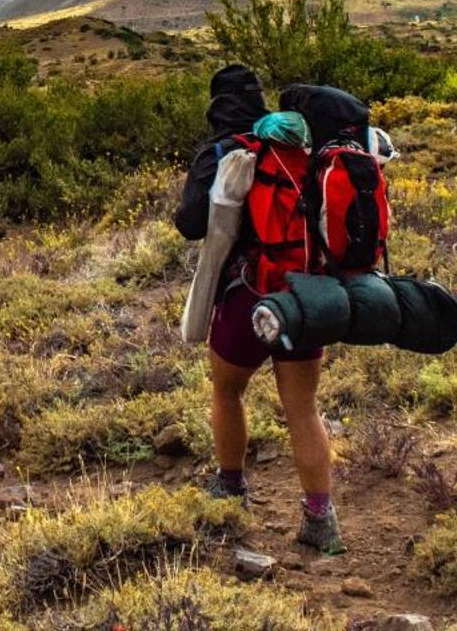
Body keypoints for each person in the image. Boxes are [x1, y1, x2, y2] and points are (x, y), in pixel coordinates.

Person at [174, 64, 344, 556]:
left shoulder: (225, 151)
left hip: (247, 295)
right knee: (303, 409)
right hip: (303, 297)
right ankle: (320, 519)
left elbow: (190, 223)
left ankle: (232, 487)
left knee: (228, 392)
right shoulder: (292, 146)